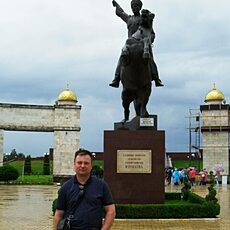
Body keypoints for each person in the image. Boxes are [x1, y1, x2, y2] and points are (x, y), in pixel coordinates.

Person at [53, 149, 116, 230]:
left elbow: (111, 211)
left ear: (91, 166)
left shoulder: (101, 186)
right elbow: (58, 214)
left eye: (86, 163)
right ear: (74, 165)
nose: (82, 166)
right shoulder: (65, 187)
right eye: (79, 163)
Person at [109, 0, 163, 88]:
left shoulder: (144, 19)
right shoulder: (129, 19)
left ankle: (156, 77)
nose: (135, 7)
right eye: (133, 6)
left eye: (137, 6)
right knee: (122, 56)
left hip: (143, 42)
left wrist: (149, 40)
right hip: (130, 43)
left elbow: (151, 32)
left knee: (150, 58)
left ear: (140, 7)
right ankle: (116, 79)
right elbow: (121, 13)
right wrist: (116, 5)